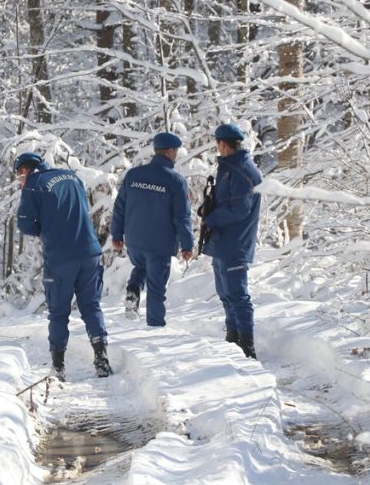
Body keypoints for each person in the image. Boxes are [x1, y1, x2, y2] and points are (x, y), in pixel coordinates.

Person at [14, 152, 112, 380]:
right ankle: (101, 359)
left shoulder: (33, 185)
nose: (19, 180)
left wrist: (45, 228)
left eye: (19, 175)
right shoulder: (72, 177)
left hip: (60, 258)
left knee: (58, 313)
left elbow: (26, 224)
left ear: (25, 170)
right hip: (90, 252)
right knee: (92, 307)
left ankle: (58, 368)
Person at [110, 132, 194, 327]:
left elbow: (119, 207)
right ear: (170, 151)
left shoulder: (133, 174)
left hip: (134, 241)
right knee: (156, 290)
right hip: (159, 243)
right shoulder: (176, 181)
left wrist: (116, 234)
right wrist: (187, 245)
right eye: (176, 151)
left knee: (141, 267)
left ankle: (133, 289)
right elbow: (182, 217)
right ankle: (155, 329)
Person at [200, 123, 263, 358]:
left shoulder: (241, 170)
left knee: (237, 294)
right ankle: (233, 337)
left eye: (217, 144)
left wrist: (212, 219)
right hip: (223, 241)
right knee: (225, 292)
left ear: (223, 144)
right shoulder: (229, 168)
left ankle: (247, 346)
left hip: (235, 242)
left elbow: (240, 209)